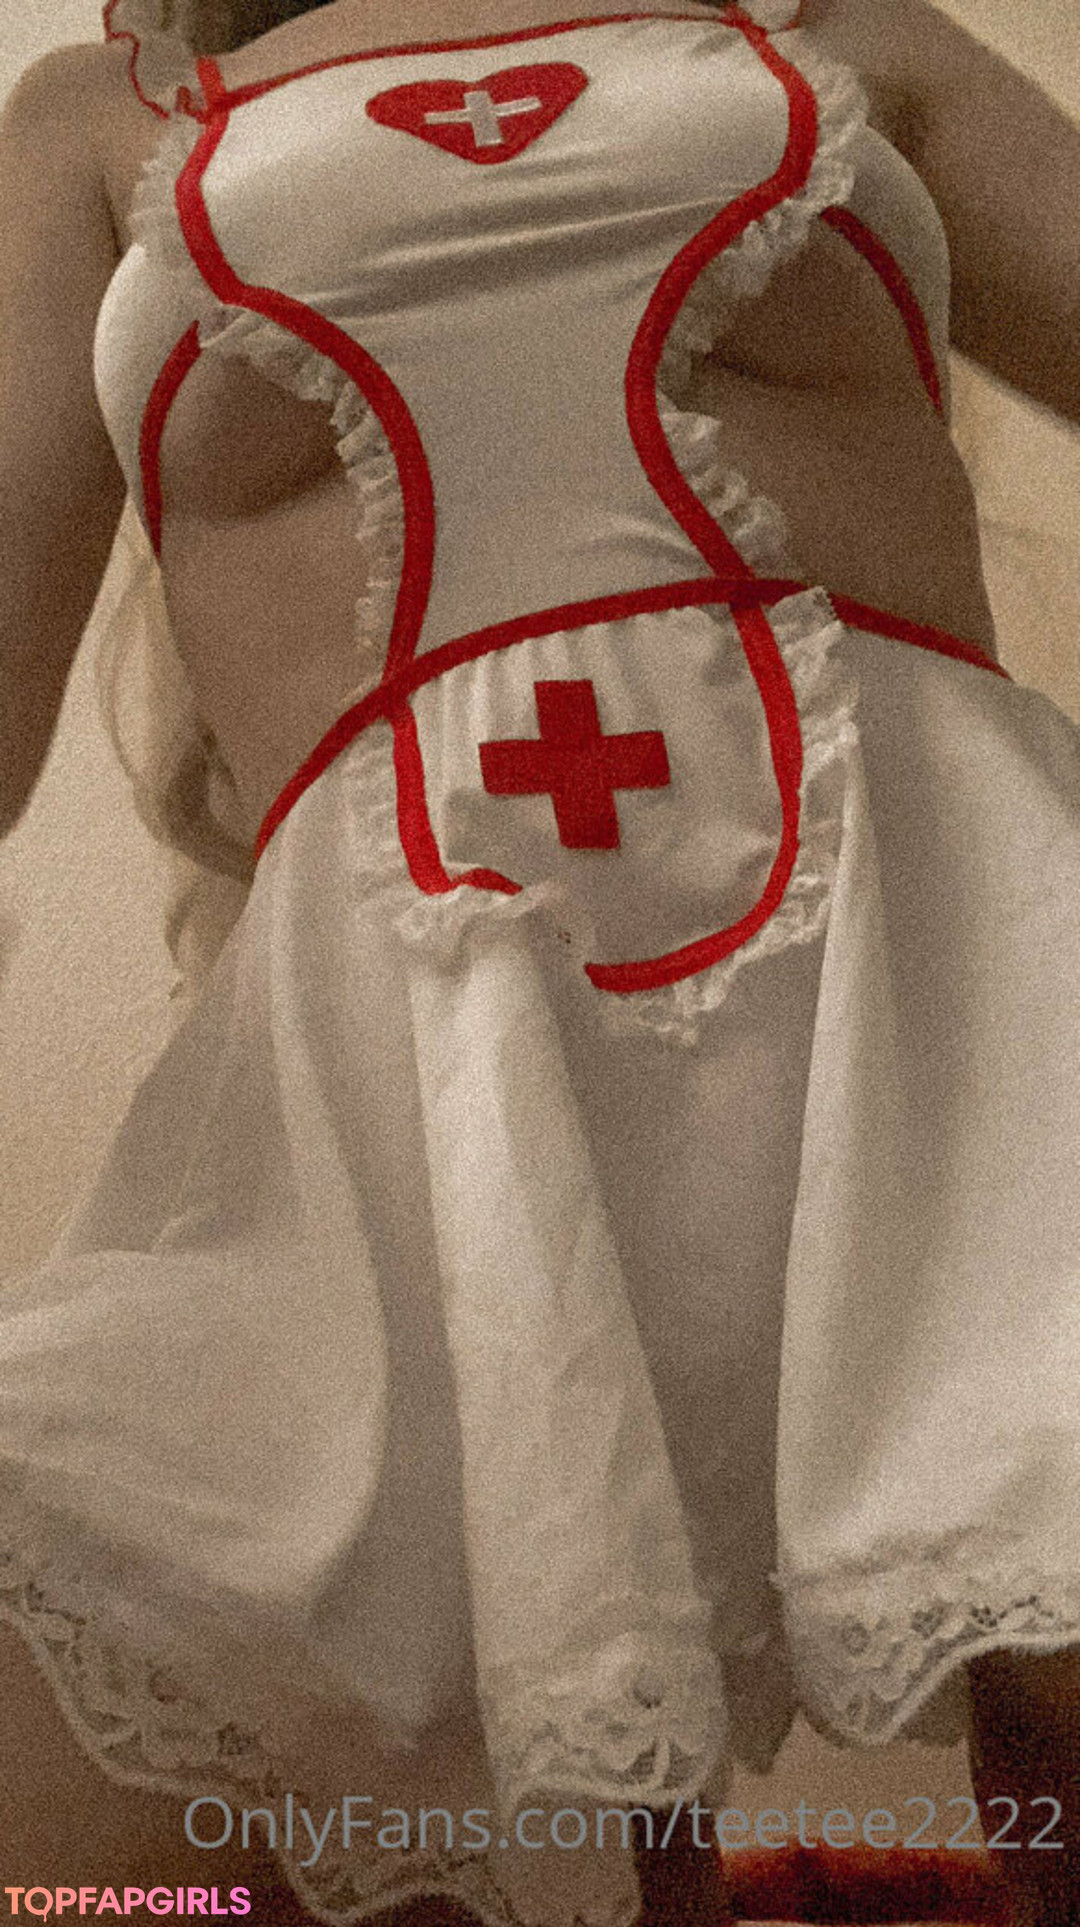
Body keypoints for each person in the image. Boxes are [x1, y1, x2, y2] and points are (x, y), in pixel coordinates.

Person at [0, 0, 1077, 1922]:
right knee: (205, 1847)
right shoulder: (96, 120)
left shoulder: (826, 23)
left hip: (985, 1008)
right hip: (409, 1105)